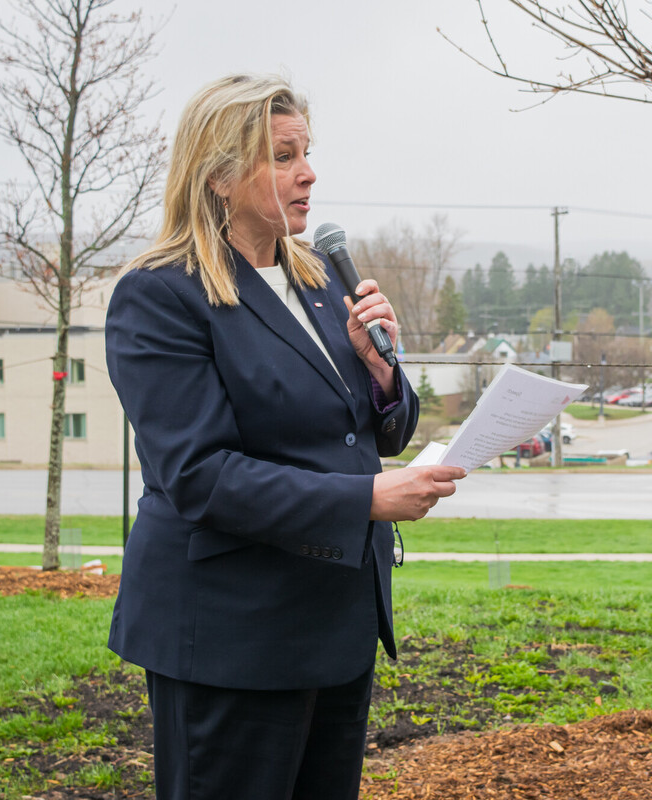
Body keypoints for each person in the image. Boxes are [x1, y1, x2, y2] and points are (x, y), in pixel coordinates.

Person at [104, 74, 465, 800]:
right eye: (282, 155)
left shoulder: (319, 278)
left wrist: (381, 376)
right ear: (219, 177)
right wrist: (364, 499)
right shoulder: (161, 295)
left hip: (333, 623)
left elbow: (373, 433)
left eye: (307, 150)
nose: (308, 173)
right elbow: (200, 475)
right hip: (231, 633)